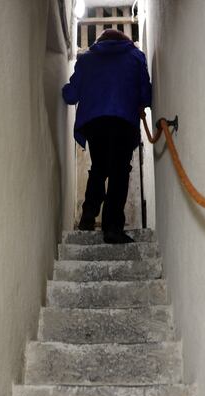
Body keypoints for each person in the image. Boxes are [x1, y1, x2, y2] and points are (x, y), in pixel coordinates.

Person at [62, 29, 152, 244]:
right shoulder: (136, 56)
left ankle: (88, 215)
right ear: (124, 40)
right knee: (120, 172)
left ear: (100, 41)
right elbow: (146, 96)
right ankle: (112, 228)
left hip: (95, 123)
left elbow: (71, 95)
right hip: (123, 121)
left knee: (100, 167)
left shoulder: (87, 59)